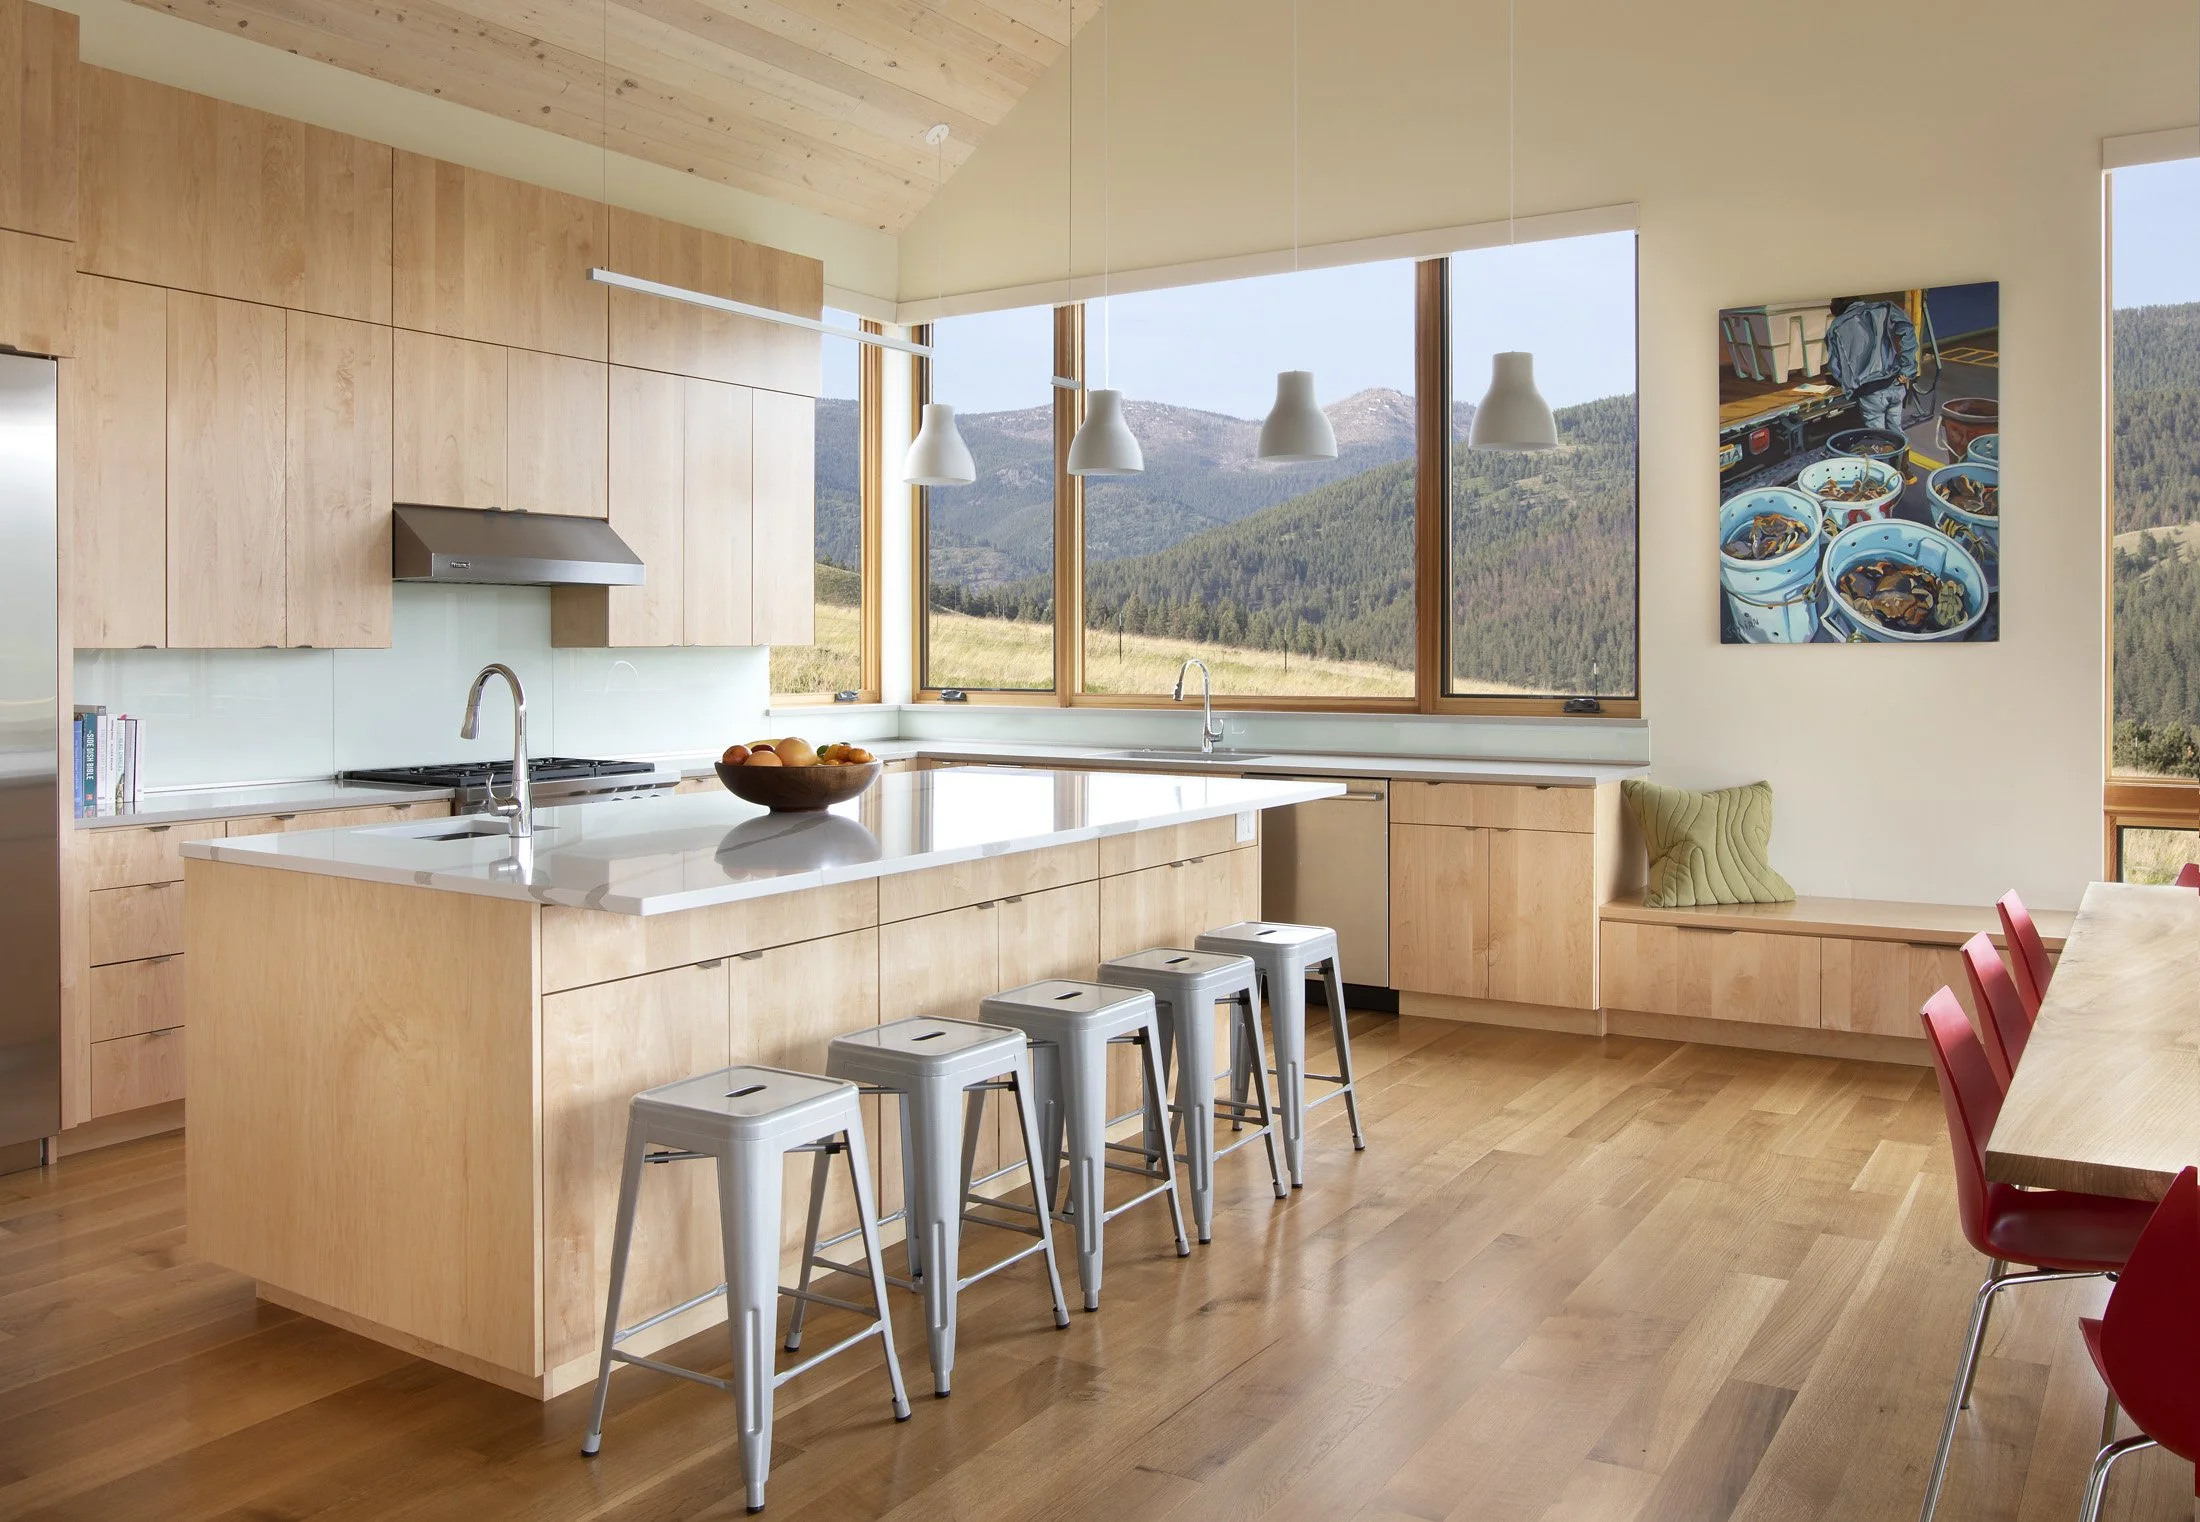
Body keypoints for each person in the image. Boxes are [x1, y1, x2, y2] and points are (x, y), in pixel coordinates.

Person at [1824, 295, 1919, 438]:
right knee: (1897, 433)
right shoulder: (1885, 308)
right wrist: (1908, 368)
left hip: (1870, 392)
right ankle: (1902, 458)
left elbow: (1835, 366)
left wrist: (1849, 385)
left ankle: (1884, 459)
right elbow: (1907, 329)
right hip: (1895, 383)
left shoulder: (1836, 327)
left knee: (1878, 439)